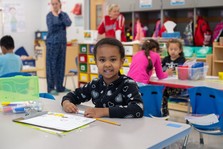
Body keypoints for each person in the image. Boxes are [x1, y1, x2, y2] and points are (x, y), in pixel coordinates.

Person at [61, 38, 143, 118]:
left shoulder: (128, 84)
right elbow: (73, 95)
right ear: (96, 62)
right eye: (102, 60)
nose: (107, 64)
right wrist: (66, 103)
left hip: (124, 129)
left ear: (121, 62)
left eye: (113, 59)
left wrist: (103, 111)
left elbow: (138, 108)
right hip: (99, 128)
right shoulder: (94, 84)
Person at [46, 0, 72, 95]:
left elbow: (68, 23)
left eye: (56, 4)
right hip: (52, 44)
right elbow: (52, 27)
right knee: (51, 66)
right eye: (53, 4)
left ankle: (60, 87)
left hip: (62, 43)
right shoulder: (49, 16)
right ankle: (51, 88)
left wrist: (60, 16)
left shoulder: (63, 14)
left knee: (61, 65)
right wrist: (60, 21)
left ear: (60, 4)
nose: (55, 6)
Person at [162, 39, 186, 116]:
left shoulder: (182, 60)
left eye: (175, 49)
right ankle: (164, 113)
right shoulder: (165, 59)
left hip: (178, 87)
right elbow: (161, 70)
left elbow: (183, 72)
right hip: (167, 84)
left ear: (180, 50)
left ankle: (165, 114)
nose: (173, 51)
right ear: (167, 50)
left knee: (164, 92)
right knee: (161, 91)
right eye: (171, 49)